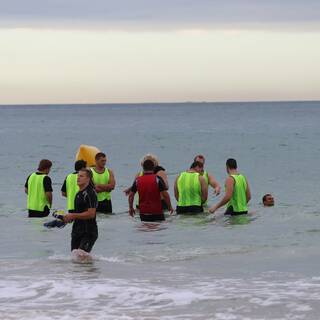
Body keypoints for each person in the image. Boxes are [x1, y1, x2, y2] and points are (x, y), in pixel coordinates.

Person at [63, 168, 98, 253]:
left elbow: (91, 214)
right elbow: (78, 214)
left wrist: (73, 215)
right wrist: (66, 219)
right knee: (75, 258)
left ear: (88, 179)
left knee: (81, 256)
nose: (78, 178)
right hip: (77, 231)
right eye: (78, 176)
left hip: (88, 231)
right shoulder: (78, 193)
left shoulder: (90, 193)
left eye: (81, 176)